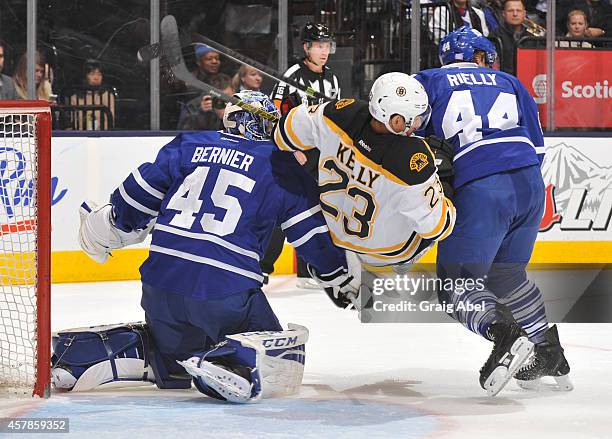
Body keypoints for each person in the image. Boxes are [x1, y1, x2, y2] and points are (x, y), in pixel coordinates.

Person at [63, 91, 358, 403]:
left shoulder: (188, 145)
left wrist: (110, 224)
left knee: (174, 349)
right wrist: (341, 275)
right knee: (282, 358)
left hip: (159, 290)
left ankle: (98, 353)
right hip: (224, 293)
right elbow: (313, 240)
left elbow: (131, 200)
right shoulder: (280, 165)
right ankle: (233, 363)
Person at [414, 26, 572, 396]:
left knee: (456, 286)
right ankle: (549, 352)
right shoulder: (510, 81)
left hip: (482, 185)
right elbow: (537, 147)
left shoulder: (429, 80)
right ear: (484, 56)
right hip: (530, 184)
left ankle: (506, 336)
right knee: (508, 276)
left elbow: (406, 137)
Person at [273, 73, 455, 284]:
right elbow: (436, 228)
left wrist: (296, 116)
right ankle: (404, 261)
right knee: (445, 182)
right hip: (387, 252)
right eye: (414, 118)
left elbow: (283, 135)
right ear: (396, 121)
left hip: (337, 236)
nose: (417, 123)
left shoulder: (341, 111)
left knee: (315, 154)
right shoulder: (412, 159)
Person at [267, 22, 341, 289]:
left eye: (327, 46)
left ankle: (312, 269)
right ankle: (261, 268)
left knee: (321, 208)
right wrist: (292, 148)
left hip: (320, 155)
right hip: (293, 154)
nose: (324, 51)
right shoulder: (292, 75)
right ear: (306, 47)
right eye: (318, 46)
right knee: (283, 209)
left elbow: (334, 117)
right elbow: (274, 112)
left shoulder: (332, 78)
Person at [68, 59, 116, 130]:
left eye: (99, 74)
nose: (96, 78)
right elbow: (74, 123)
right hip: (81, 136)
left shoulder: (107, 96)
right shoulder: (75, 98)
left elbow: (110, 122)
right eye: (92, 74)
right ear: (85, 76)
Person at [489, 0, 531, 75]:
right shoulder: (494, 36)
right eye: (510, 11)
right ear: (503, 14)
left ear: (524, 14)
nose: (515, 14)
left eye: (518, 11)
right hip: (503, 80)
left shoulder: (531, 37)